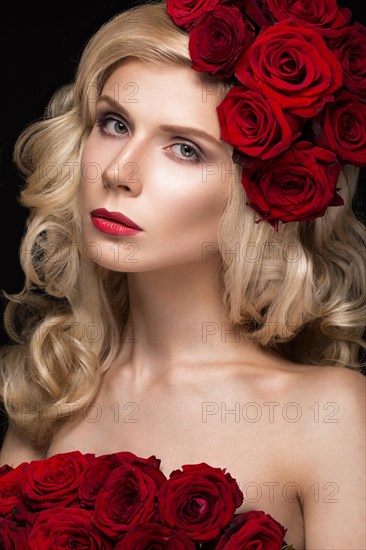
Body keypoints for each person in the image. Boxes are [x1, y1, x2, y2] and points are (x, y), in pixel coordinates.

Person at [0, 0, 365, 547]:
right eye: (115, 123)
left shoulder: (328, 413)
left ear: (259, 191)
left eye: (185, 150)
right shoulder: (56, 391)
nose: (120, 171)